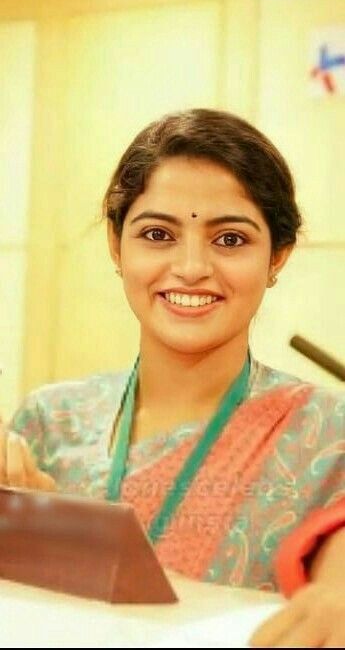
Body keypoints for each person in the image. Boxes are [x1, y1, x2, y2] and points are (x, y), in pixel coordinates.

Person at [1, 108, 344, 647]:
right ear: (117, 246)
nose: (190, 267)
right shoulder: (49, 422)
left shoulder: (327, 434)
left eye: (229, 240)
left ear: (277, 256)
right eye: (157, 234)